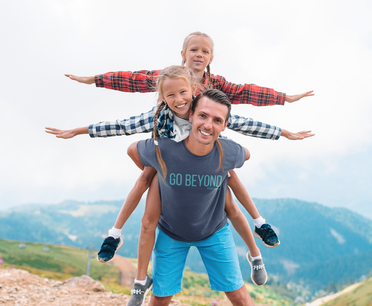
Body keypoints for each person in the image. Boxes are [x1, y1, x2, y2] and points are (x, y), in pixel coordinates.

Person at [46, 64, 313, 287]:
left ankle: (258, 232)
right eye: (170, 95)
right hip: (169, 163)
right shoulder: (159, 116)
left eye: (183, 92)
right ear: (162, 96)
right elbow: (121, 125)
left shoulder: (202, 107)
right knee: (144, 192)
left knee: (229, 187)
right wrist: (79, 130)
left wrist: (283, 132)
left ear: (193, 90)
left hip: (207, 162)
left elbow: (242, 122)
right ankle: (115, 235)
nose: (179, 99)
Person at [133, 89, 261, 306]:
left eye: (217, 120)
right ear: (191, 115)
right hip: (171, 233)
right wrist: (158, 173)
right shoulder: (166, 149)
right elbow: (132, 150)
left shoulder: (229, 152)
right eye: (203, 115)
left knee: (239, 296)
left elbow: (246, 154)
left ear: (224, 126)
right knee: (160, 299)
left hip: (214, 231)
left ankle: (255, 256)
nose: (208, 125)